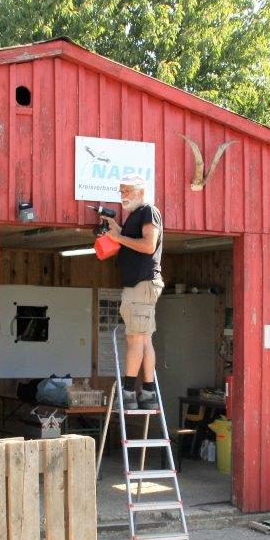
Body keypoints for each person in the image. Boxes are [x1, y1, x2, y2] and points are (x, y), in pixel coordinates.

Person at [103, 174, 164, 410]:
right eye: (120, 191)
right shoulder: (135, 216)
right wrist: (118, 231)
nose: (122, 196)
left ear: (140, 191)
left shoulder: (148, 211)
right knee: (143, 338)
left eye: (126, 191)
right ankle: (148, 393)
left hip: (141, 283)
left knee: (135, 339)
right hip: (140, 285)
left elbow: (149, 245)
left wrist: (119, 237)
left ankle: (129, 392)